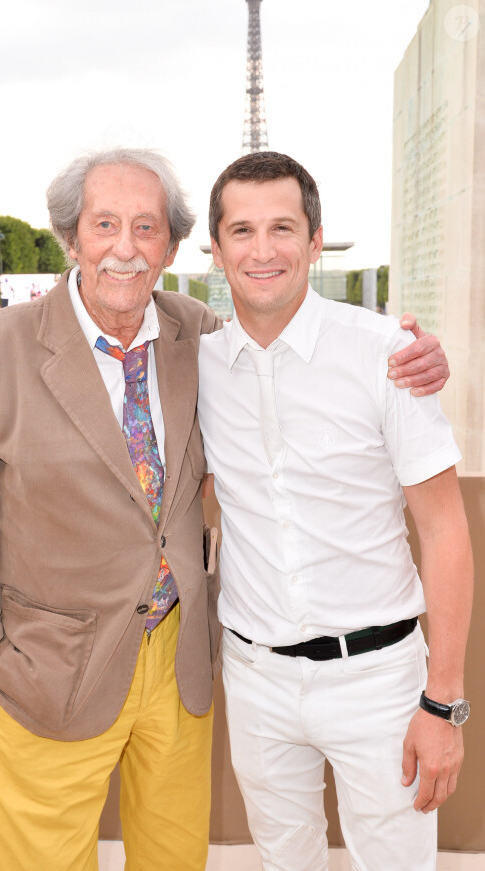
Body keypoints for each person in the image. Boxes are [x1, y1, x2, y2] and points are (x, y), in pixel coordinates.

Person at [0, 147, 448, 871]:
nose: (125, 248)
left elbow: (298, 353)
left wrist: (422, 359)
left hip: (181, 661)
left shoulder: (194, 335)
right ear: (72, 237)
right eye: (105, 224)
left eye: (146, 226)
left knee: (173, 858)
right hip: (48, 669)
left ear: (171, 243)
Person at [197, 151, 473, 871]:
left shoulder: (385, 353)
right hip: (255, 678)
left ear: (315, 241)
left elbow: (445, 530)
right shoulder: (193, 366)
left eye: (283, 228)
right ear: (217, 247)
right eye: (243, 231)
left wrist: (443, 702)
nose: (263, 250)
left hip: (378, 680)